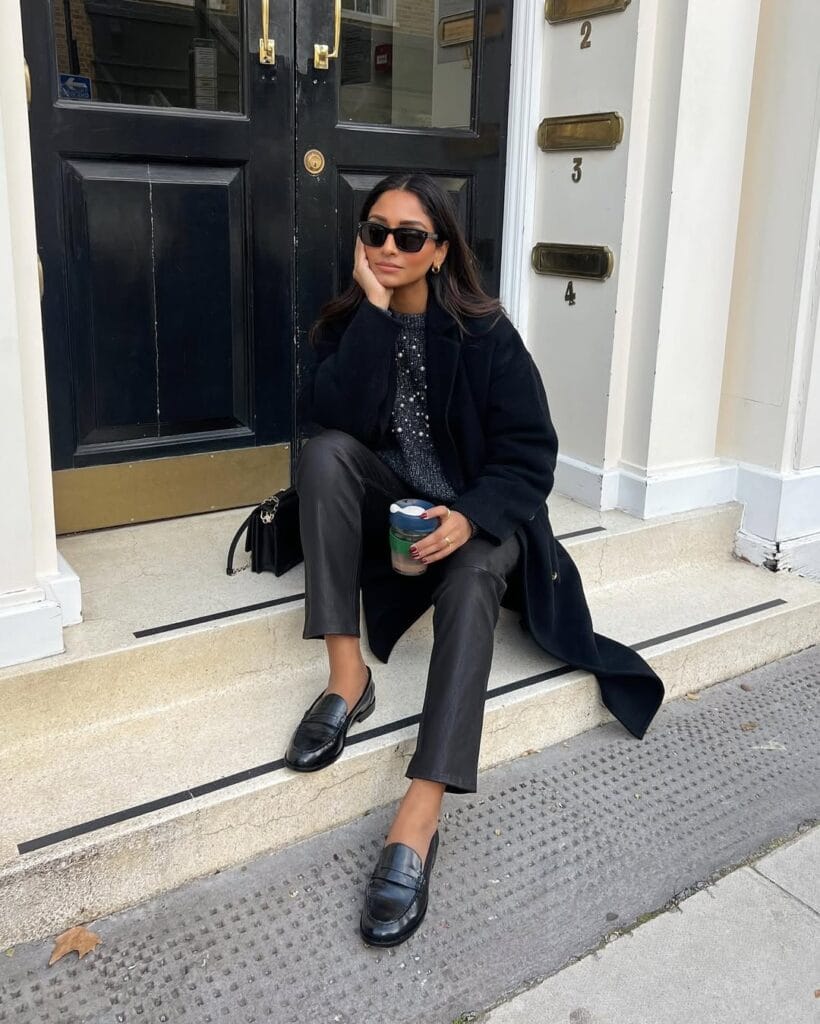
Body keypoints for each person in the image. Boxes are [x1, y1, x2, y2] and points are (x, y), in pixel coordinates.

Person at [284, 172, 665, 948]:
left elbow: (531, 454)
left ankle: (420, 814)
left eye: (409, 237)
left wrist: (471, 519)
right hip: (397, 509)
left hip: (482, 513)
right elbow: (332, 417)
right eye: (375, 232)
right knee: (322, 455)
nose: (388, 247)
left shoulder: (485, 333)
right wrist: (378, 317)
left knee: (472, 584)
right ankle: (346, 678)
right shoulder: (351, 322)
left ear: (441, 249)